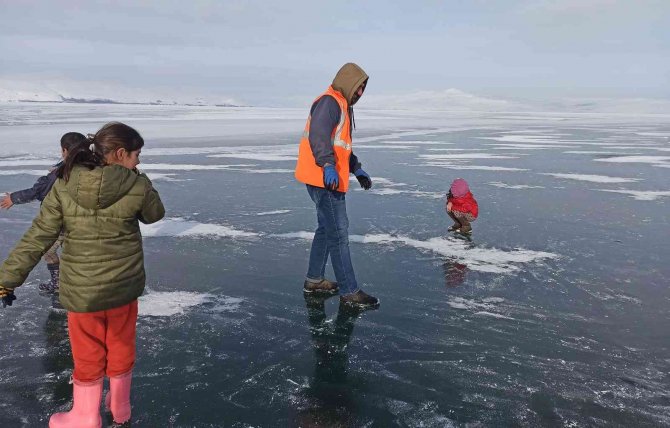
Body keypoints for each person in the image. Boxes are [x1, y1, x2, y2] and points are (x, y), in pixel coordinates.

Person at [0, 122, 165, 427]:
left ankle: (86, 416)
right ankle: (120, 406)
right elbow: (155, 215)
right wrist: (142, 181)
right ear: (120, 153)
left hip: (82, 292)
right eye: (137, 155)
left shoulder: (64, 184)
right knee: (121, 344)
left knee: (88, 350)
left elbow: (39, 236)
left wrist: (6, 280)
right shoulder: (136, 184)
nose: (139, 162)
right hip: (123, 290)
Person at [294, 62, 379, 309]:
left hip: (324, 177)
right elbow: (319, 136)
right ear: (348, 82)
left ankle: (314, 279)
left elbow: (341, 146)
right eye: (358, 87)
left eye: (363, 89)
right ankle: (350, 291)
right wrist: (328, 165)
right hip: (325, 180)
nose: (360, 93)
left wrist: (356, 168)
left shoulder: (342, 105)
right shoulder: (330, 102)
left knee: (326, 228)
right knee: (339, 233)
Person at [0, 132, 88, 294]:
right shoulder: (93, 167)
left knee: (49, 251)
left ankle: (59, 284)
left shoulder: (63, 173)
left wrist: (14, 198)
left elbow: (40, 191)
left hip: (62, 223)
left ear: (64, 150)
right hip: (84, 223)